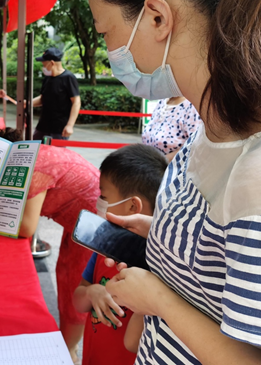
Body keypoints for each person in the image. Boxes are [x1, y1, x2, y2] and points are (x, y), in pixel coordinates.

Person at [84, 0, 261, 364]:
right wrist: (163, 231)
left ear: (158, 17)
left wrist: (160, 300)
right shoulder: (211, 127)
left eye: (106, 32)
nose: (110, 54)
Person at [0, 127, 97, 363]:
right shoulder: (30, 154)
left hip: (93, 227)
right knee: (66, 275)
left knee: (74, 285)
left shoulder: (33, 169)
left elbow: (27, 227)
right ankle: (66, 344)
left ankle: (68, 352)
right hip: (82, 223)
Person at [73, 144, 167, 365]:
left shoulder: (158, 267)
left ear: (132, 206)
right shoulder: (104, 247)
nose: (99, 202)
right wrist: (91, 293)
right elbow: (78, 301)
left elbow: (132, 343)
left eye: (103, 196)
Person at [31, 47, 81, 140]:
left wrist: (70, 125)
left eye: (44, 64)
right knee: (35, 151)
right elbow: (43, 98)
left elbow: (76, 102)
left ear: (52, 63)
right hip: (42, 126)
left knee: (56, 154)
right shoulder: (47, 78)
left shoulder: (68, 78)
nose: (43, 67)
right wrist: (27, 103)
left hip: (59, 129)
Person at [142, 96, 201, 161]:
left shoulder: (192, 106)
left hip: (172, 168)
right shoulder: (162, 102)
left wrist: (160, 163)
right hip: (150, 165)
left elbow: (195, 145)